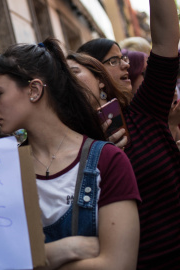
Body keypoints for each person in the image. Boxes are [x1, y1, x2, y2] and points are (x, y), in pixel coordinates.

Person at [0, 37, 141, 269]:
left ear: (35, 90)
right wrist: (67, 249)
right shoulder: (3, 170)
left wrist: (35, 259)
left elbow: (119, 265)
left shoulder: (108, 161)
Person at [77, 0, 180, 268]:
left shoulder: (145, 112)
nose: (125, 65)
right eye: (114, 60)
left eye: (123, 58)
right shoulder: (76, 148)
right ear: (96, 77)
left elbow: (166, 37)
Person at [66, 52, 131, 147]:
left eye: (74, 72)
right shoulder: (78, 141)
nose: (68, 82)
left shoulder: (136, 112)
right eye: (64, 79)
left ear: (100, 80)